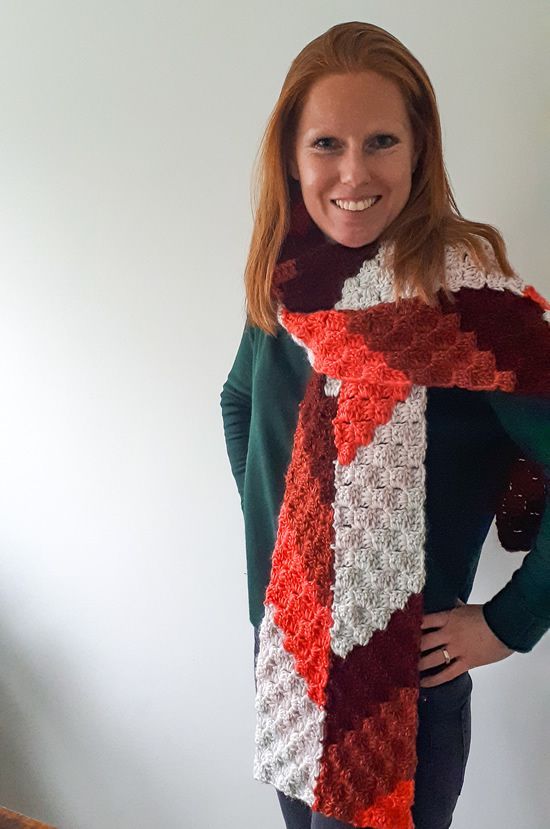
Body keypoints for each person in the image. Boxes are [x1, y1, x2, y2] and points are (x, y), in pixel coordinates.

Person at [220, 20, 550, 829]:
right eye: (327, 143)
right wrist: (288, 560)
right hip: (290, 667)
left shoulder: (477, 312)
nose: (353, 173)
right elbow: (239, 400)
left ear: (419, 150)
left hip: (404, 693)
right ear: (292, 157)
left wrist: (510, 622)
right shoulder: (290, 279)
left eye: (381, 141)